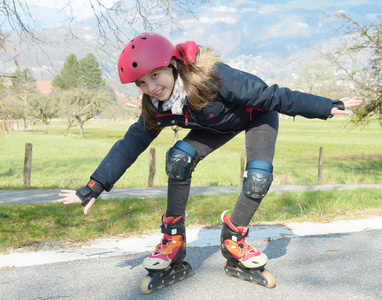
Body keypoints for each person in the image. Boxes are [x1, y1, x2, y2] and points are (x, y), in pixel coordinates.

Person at [58, 32, 362, 290]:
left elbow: (271, 96)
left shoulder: (212, 77)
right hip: (215, 126)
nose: (151, 87)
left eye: (155, 75)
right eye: (141, 83)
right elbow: (130, 143)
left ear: (173, 65)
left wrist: (324, 106)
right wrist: (93, 187)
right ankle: (172, 240)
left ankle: (235, 239)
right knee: (178, 158)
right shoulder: (157, 105)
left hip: (256, 116)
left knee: (259, 176)